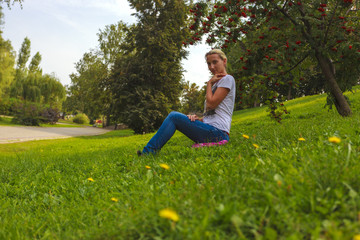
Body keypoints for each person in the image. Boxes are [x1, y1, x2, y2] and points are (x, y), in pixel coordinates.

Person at [138, 49, 236, 155]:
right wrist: (200, 119)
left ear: (224, 61)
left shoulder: (228, 79)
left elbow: (211, 104)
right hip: (212, 131)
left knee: (174, 116)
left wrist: (209, 84)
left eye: (215, 62)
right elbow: (214, 113)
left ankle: (148, 152)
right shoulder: (217, 83)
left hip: (218, 133)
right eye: (209, 64)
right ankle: (148, 152)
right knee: (174, 117)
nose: (211, 67)